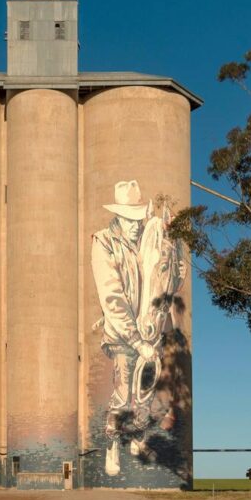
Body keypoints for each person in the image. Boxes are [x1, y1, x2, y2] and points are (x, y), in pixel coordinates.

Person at [91, 180, 183, 477]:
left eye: (137, 217)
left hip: (150, 331)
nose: (134, 225)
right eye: (127, 218)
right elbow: (111, 296)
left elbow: (165, 279)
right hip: (121, 335)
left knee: (144, 392)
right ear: (117, 216)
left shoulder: (150, 238)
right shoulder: (104, 241)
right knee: (121, 393)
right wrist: (135, 338)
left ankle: (138, 440)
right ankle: (112, 446)